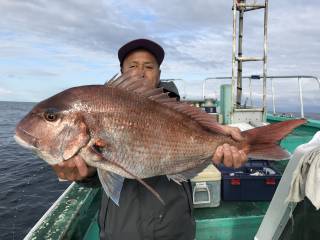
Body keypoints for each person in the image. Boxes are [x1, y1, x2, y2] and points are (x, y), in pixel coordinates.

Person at [52, 39, 247, 240]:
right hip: (120, 231)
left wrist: (222, 140)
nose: (140, 72)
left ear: (159, 74)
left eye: (149, 66)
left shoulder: (177, 109)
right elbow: (99, 171)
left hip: (174, 228)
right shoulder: (101, 108)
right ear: (121, 72)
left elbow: (204, 132)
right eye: (132, 66)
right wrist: (85, 173)